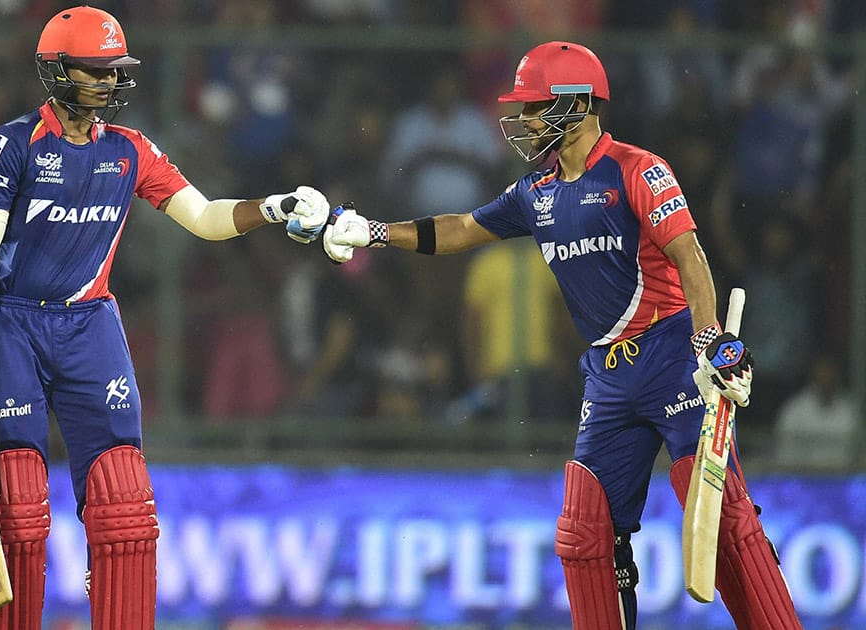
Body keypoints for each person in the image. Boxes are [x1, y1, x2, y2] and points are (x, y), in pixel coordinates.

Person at [322, 41, 802, 629]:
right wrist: (373, 232)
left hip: (676, 354)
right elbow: (459, 229)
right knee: (585, 532)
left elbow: (690, 257)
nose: (522, 122)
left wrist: (711, 345)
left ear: (577, 104)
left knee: (721, 516)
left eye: (532, 107)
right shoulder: (536, 192)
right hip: (607, 372)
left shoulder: (637, 169)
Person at [0, 6, 330, 629]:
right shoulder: (12, 144)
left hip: (90, 324)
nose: (110, 85)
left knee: (124, 504)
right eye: (97, 72)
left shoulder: (130, 150)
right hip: (11, 324)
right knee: (21, 505)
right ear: (57, 72)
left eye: (116, 73)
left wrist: (271, 208)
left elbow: (205, 217)